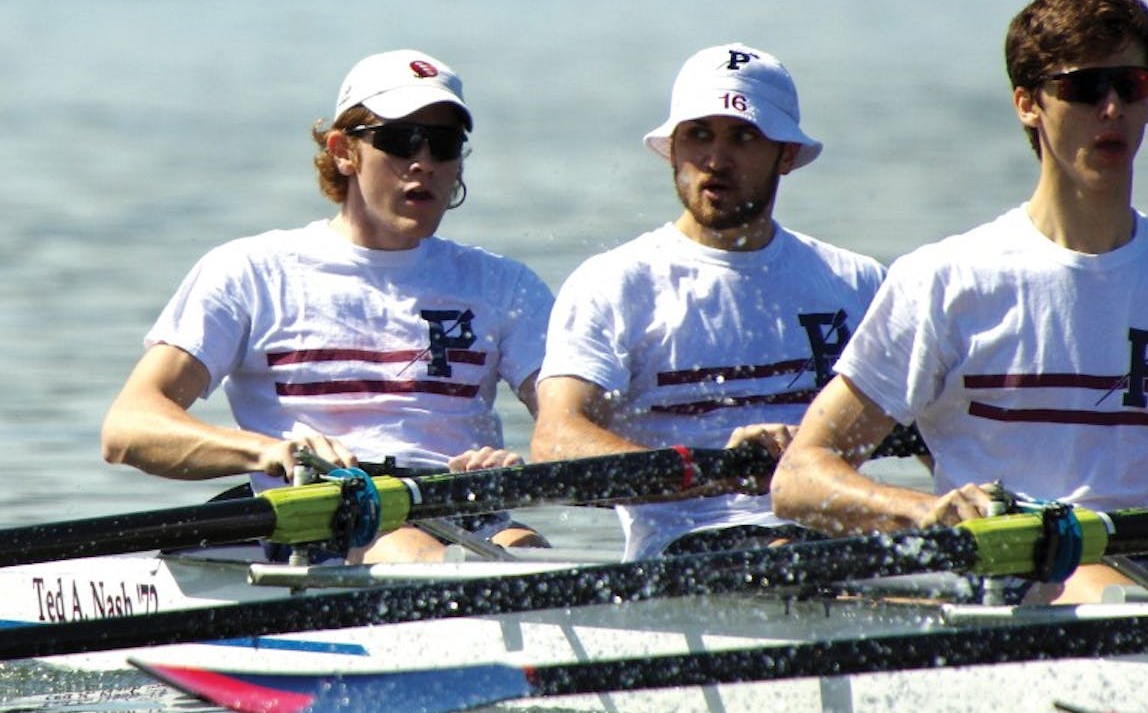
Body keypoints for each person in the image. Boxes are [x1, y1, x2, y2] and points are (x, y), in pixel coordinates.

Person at [770, 0, 1148, 604]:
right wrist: (926, 512)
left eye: (1129, 85)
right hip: (1025, 565)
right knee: (1105, 585)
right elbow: (800, 476)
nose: (1111, 110)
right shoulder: (946, 283)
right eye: (1084, 88)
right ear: (1027, 104)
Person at [100, 49, 554, 562]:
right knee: (409, 547)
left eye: (444, 144)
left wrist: (520, 467)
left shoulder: (505, 285)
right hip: (325, 516)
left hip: (468, 511)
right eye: (401, 139)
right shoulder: (253, 273)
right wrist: (268, 451)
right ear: (343, 152)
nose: (424, 162)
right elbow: (128, 427)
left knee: (529, 551)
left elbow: (568, 428)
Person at [530, 42, 886, 561]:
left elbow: (937, 432)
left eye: (744, 137)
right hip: (685, 555)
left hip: (838, 545)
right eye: (699, 135)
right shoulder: (614, 285)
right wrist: (715, 470)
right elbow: (555, 442)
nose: (716, 161)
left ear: (787, 155)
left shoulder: (856, 282)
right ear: (673, 150)